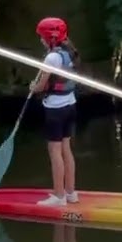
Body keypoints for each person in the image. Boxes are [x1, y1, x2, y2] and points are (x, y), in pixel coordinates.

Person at [30, 17, 80, 207]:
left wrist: (33, 87)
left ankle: (59, 196)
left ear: (51, 38)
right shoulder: (70, 52)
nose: (40, 40)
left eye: (42, 37)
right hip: (70, 106)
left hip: (55, 110)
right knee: (66, 149)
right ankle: (71, 193)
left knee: (55, 151)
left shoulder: (51, 58)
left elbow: (42, 86)